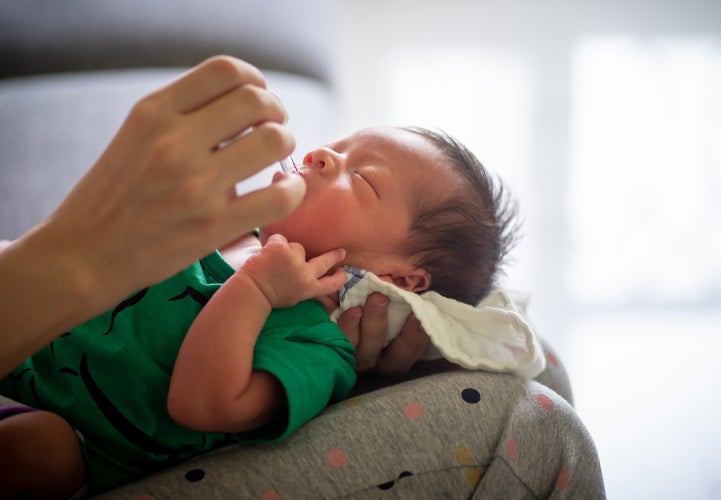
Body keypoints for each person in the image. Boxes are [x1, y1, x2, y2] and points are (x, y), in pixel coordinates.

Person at [0, 124, 518, 496]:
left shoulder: (319, 346)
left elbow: (199, 406)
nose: (320, 155)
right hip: (32, 323)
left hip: (70, 424)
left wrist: (256, 291)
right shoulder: (246, 237)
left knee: (40, 451)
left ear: (397, 279)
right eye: (337, 146)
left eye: (360, 178)